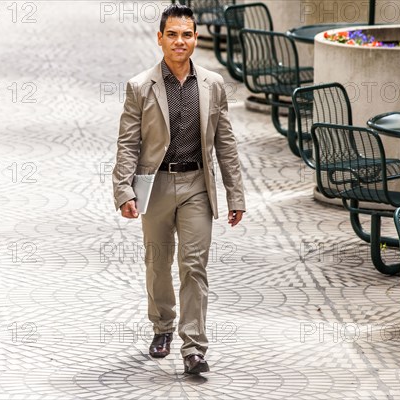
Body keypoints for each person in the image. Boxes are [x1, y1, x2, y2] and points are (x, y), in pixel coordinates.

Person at [112, 4, 245, 374]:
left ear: (196, 38)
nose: (179, 41)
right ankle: (162, 327)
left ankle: (194, 348)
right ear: (160, 39)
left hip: (197, 186)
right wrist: (124, 190)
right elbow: (128, 143)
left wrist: (236, 196)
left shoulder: (213, 85)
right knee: (157, 264)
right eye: (172, 34)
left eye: (186, 34)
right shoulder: (140, 86)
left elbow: (226, 144)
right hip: (154, 186)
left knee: (194, 266)